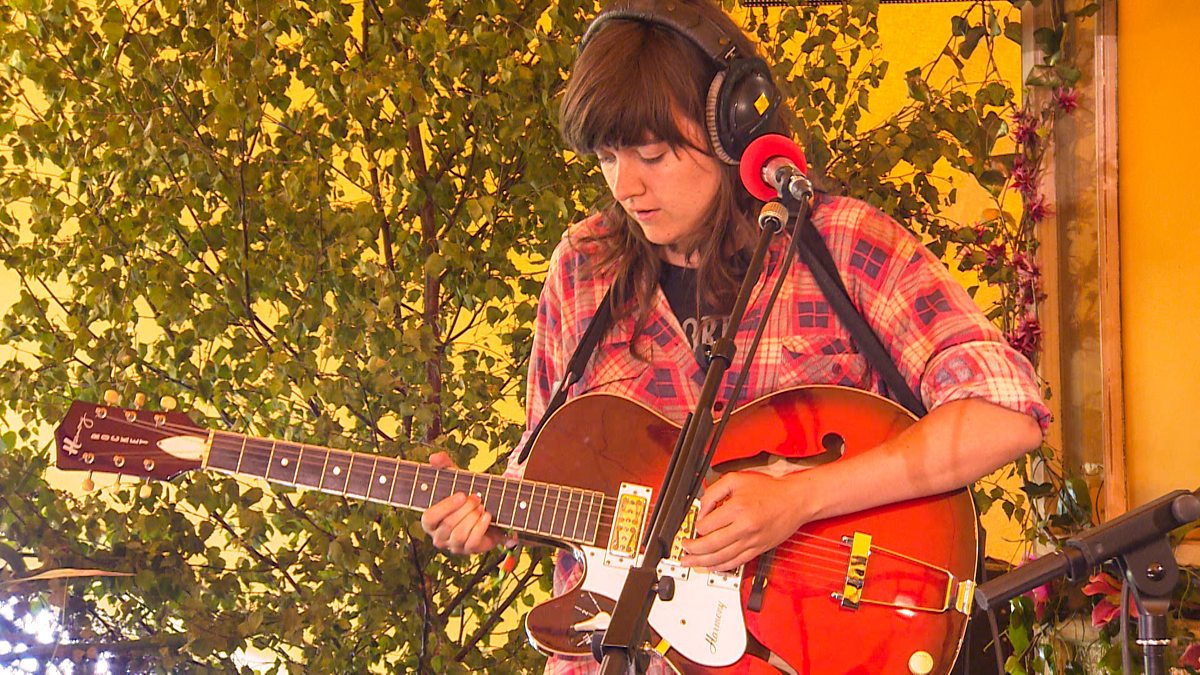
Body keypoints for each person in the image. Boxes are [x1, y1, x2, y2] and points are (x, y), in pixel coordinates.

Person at [422, 0, 1050, 672]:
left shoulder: (842, 246)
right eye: (608, 157)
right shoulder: (584, 267)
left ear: (733, 124)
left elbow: (1004, 417)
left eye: (653, 153)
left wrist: (797, 499)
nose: (626, 184)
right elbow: (553, 464)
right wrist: (492, 512)